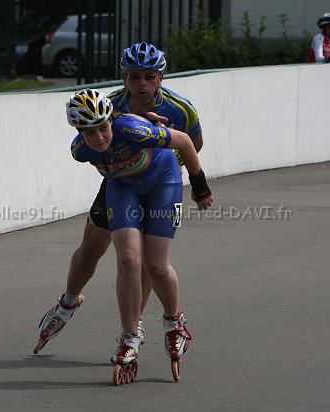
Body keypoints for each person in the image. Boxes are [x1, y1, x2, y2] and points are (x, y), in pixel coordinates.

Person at [34, 42, 203, 350]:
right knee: (91, 248)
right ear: (124, 77)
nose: (142, 84)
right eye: (134, 76)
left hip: (159, 180)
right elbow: (94, 140)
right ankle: (67, 303)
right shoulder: (108, 105)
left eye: (149, 76)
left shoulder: (180, 108)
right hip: (120, 178)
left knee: (147, 258)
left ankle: (134, 323)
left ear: (160, 78)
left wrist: (164, 166)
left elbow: (194, 143)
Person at [62, 88, 213, 382]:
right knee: (128, 260)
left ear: (111, 121)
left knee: (155, 265)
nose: (99, 137)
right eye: (89, 132)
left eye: (103, 127)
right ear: (79, 133)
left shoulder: (133, 130)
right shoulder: (79, 151)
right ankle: (130, 337)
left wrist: (200, 186)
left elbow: (184, 141)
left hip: (162, 182)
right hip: (123, 187)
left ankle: (174, 322)